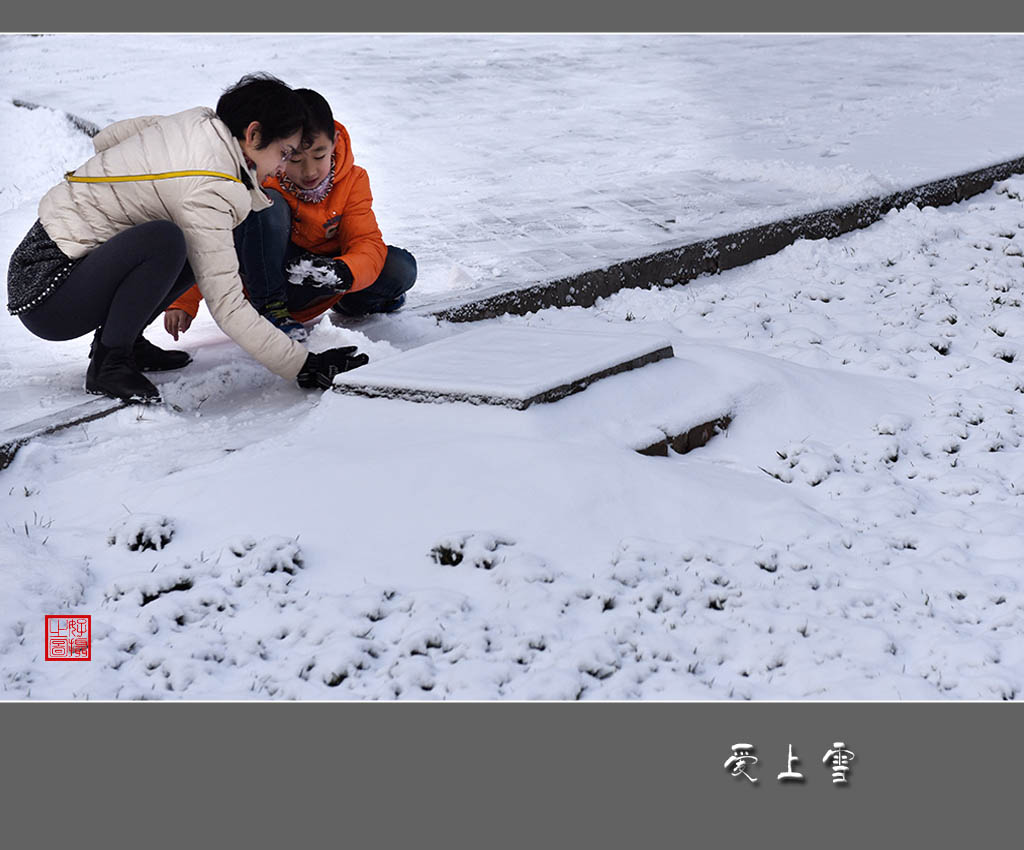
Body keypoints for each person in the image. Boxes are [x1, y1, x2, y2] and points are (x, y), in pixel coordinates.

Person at [6, 73, 369, 404]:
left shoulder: (199, 124)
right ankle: (109, 364)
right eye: (284, 153)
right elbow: (228, 305)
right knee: (167, 240)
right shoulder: (209, 185)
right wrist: (302, 364)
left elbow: (112, 137)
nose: (282, 165)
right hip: (47, 293)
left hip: (51, 269)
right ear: (254, 135)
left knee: (186, 243)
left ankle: (125, 342)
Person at [163, 87, 416, 344]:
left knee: (400, 267)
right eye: (295, 159)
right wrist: (182, 300)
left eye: (319, 155)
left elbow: (365, 241)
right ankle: (272, 311)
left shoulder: (353, 180)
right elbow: (214, 237)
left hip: (320, 281)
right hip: (269, 279)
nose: (309, 171)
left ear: (335, 141)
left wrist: (343, 271)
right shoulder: (265, 175)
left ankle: (356, 301)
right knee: (266, 205)